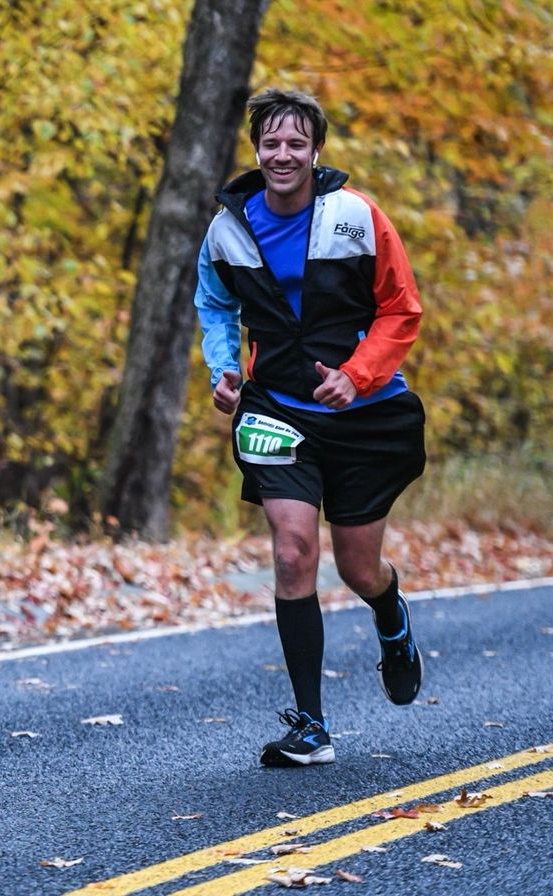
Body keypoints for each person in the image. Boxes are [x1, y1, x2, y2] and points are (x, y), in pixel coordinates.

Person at [193, 89, 426, 767]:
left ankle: (391, 619)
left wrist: (356, 375)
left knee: (358, 567)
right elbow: (214, 304)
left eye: (297, 143)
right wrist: (222, 368)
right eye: (271, 143)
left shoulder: (356, 218)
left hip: (364, 413)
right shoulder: (228, 229)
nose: (283, 155)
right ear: (257, 149)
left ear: (316, 152)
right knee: (294, 552)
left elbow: (400, 310)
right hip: (277, 409)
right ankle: (311, 727)